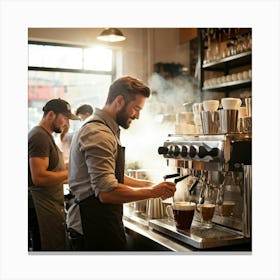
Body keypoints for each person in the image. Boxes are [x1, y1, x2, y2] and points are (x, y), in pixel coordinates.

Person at [67, 76, 176, 251]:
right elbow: (106, 192)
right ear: (119, 101)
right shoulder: (98, 133)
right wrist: (152, 192)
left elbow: (110, 177)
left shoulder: (104, 128)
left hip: (100, 224)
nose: (138, 116)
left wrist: (150, 184)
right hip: (92, 230)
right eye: (136, 108)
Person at [28, 98, 79, 251]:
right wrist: (71, 173)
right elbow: (40, 177)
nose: (66, 124)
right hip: (40, 208)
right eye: (64, 118)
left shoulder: (45, 135)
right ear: (51, 115)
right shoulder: (39, 136)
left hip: (48, 205)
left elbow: (52, 168)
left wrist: (76, 165)